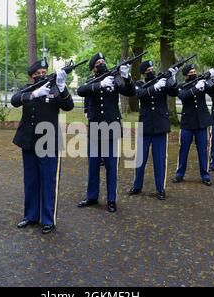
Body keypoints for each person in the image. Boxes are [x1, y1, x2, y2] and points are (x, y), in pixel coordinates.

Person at [11, 59, 74, 234]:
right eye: (37, 73)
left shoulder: (55, 89)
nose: (41, 75)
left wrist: (61, 86)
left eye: (44, 73)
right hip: (29, 141)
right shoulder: (28, 89)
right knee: (31, 181)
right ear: (31, 76)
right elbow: (14, 100)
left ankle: (48, 219)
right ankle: (30, 216)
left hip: (48, 141)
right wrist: (34, 94)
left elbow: (68, 106)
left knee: (48, 181)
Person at [76, 52, 136, 213]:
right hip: (95, 128)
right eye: (98, 63)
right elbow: (80, 91)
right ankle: (92, 196)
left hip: (111, 128)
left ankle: (111, 199)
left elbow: (130, 92)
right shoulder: (91, 81)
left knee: (111, 166)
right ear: (93, 68)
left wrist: (126, 76)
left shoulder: (114, 79)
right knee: (93, 166)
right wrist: (100, 84)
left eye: (103, 61)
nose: (102, 64)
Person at [128, 60, 179, 200]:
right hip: (145, 126)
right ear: (144, 72)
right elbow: (140, 94)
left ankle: (160, 189)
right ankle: (137, 186)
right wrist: (155, 87)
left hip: (160, 126)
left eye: (152, 68)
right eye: (148, 70)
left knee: (160, 160)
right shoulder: (139, 84)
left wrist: (172, 78)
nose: (151, 71)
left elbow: (174, 92)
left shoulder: (163, 81)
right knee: (140, 159)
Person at [173, 64, 214, 186]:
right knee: (183, 150)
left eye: (194, 71)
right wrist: (196, 88)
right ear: (186, 75)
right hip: (188, 123)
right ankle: (179, 174)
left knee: (203, 150)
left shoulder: (202, 83)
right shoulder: (182, 86)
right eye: (191, 72)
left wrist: (213, 79)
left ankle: (205, 175)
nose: (194, 73)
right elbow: (183, 96)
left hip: (202, 122)